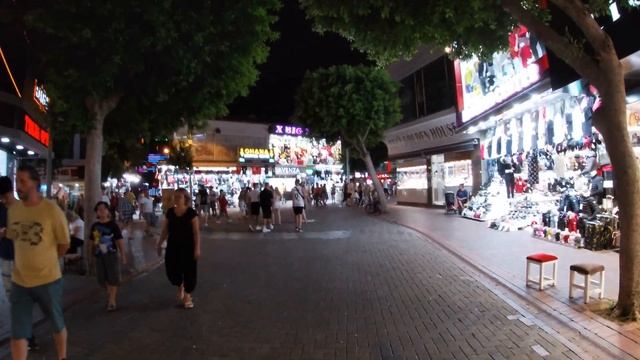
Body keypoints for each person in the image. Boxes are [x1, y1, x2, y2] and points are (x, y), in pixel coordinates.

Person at [7, 165, 69, 360]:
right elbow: (15, 236)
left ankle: (62, 356)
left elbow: (64, 243)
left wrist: (48, 261)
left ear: (35, 183)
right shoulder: (14, 210)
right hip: (20, 281)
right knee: (18, 331)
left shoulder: (51, 210)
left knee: (56, 323)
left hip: (48, 279)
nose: (18, 185)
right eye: (17, 181)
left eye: (22, 181)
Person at [156, 188, 200, 309]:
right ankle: (180, 284)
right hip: (173, 245)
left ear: (185, 198)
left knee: (189, 271)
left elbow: (196, 232)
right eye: (175, 197)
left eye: (179, 197)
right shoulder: (170, 212)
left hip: (188, 246)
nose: (176, 199)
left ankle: (187, 295)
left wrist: (197, 248)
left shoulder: (191, 213)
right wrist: (159, 243)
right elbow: (165, 230)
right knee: (171, 270)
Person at [90, 201, 127, 311]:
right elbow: (92, 241)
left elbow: (119, 240)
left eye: (104, 208)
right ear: (96, 212)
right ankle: (110, 292)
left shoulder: (113, 225)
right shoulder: (95, 226)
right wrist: (90, 254)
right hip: (98, 255)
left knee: (113, 277)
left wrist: (123, 255)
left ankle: (112, 300)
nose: (101, 211)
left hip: (111, 254)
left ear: (108, 211)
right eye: (99, 209)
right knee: (101, 279)